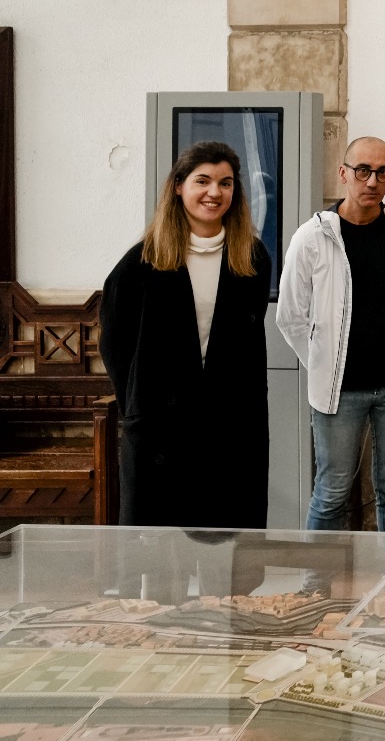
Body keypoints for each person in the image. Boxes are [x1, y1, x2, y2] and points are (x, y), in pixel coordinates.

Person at [100, 141, 272, 527]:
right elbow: (115, 342)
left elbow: (244, 342)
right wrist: (139, 405)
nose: (215, 193)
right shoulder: (141, 263)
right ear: (179, 186)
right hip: (162, 430)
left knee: (225, 548)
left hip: (229, 428)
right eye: (203, 180)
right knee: (162, 556)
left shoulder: (253, 259)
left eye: (225, 183)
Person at [277, 137, 385, 531]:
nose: (372, 181)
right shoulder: (312, 237)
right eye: (363, 170)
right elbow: (290, 315)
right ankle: (315, 588)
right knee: (333, 490)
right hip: (340, 389)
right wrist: (324, 362)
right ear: (343, 174)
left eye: (383, 172)